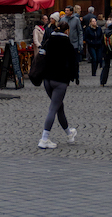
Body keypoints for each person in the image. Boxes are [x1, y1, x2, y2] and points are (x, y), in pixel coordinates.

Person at [38, 20, 79, 148]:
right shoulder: (68, 44)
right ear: (67, 31)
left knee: (59, 107)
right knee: (53, 108)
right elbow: (74, 64)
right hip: (60, 80)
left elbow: (41, 54)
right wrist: (73, 78)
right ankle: (44, 139)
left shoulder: (49, 41)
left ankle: (69, 134)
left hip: (47, 79)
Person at [63, 6, 84, 73]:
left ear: (71, 12)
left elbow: (79, 31)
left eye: (67, 10)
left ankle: (75, 73)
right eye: (65, 10)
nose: (66, 12)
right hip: (65, 43)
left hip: (74, 43)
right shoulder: (63, 20)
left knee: (75, 60)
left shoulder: (76, 20)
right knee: (66, 60)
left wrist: (80, 43)